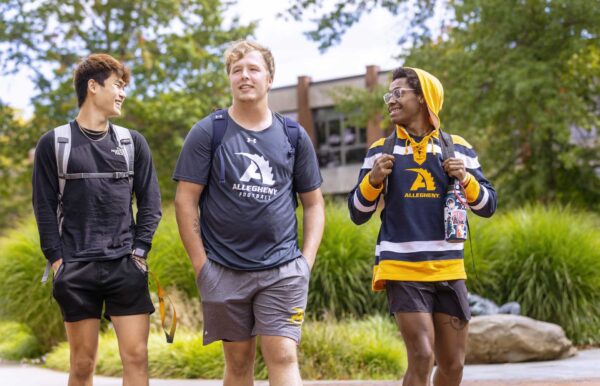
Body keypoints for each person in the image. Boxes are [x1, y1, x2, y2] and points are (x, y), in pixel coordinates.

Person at [173, 40, 324, 386]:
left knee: (284, 354)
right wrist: (202, 266)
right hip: (224, 269)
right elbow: (185, 201)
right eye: (237, 70)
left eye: (253, 69)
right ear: (229, 78)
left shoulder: (293, 135)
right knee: (239, 364)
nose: (245, 76)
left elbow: (314, 203)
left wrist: (306, 262)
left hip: (283, 270)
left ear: (269, 79)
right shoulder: (209, 132)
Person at [348, 67, 497, 386]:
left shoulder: (458, 148)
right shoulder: (380, 150)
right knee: (421, 355)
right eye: (389, 94)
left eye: (398, 93)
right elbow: (357, 213)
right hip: (402, 268)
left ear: (424, 97)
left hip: (448, 270)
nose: (391, 100)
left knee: (453, 365)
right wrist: (373, 181)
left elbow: (488, 206)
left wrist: (466, 179)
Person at [32, 53, 162, 386]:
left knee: (136, 358)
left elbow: (151, 203)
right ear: (93, 86)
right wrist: (58, 260)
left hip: (125, 265)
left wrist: (140, 253)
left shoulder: (133, 143)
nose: (123, 94)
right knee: (82, 364)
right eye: (118, 85)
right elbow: (43, 206)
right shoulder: (55, 143)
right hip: (76, 267)